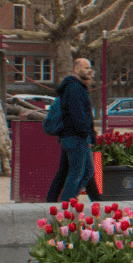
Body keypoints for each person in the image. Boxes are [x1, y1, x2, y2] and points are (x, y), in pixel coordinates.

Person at [47, 57, 96, 203]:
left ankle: (64, 200)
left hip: (74, 135)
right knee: (78, 173)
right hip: (76, 136)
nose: (89, 71)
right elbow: (77, 114)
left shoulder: (75, 87)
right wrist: (86, 132)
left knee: (85, 172)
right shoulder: (75, 88)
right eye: (86, 68)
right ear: (76, 69)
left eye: (90, 68)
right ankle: (67, 202)